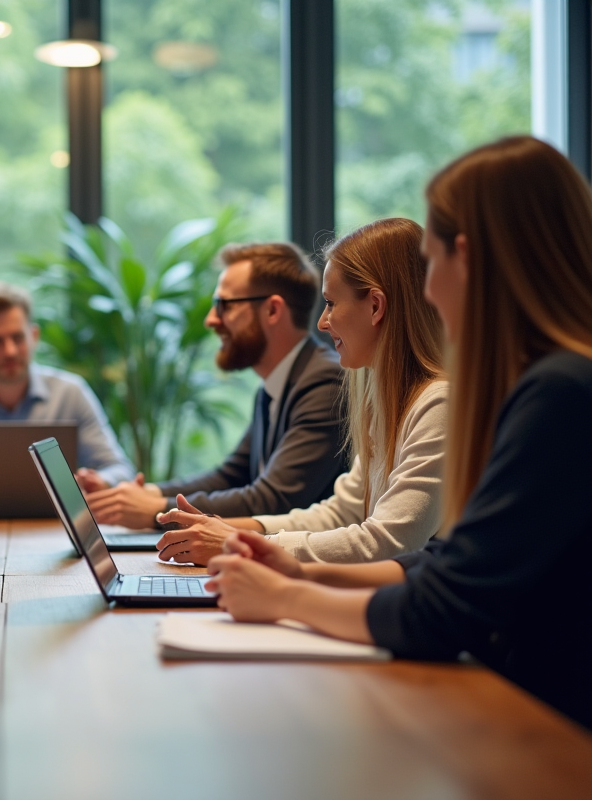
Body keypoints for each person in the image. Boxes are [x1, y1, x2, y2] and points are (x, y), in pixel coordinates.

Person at [205, 136, 592, 730]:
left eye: (433, 263)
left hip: (545, 734)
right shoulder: (551, 383)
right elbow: (442, 562)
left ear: (467, 258)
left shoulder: (560, 393)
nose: (430, 290)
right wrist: (296, 569)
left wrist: (286, 597)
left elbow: (441, 607)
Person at [156, 219, 447, 565]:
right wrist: (232, 535)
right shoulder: (383, 404)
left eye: (331, 303)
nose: (323, 322)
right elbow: (340, 513)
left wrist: (241, 543)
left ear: (375, 306)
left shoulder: (438, 404)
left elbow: (389, 542)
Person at [77, 242, 348, 529]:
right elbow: (230, 475)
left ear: (272, 310)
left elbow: (273, 499)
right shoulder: (279, 384)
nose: (210, 320)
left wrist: (157, 510)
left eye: (224, 305)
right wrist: (140, 495)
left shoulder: (325, 381)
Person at [0, 281, 134, 507]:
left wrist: (100, 482)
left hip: (56, 533)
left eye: (17, 338)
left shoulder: (71, 393)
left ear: (34, 336)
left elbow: (120, 469)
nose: (9, 351)